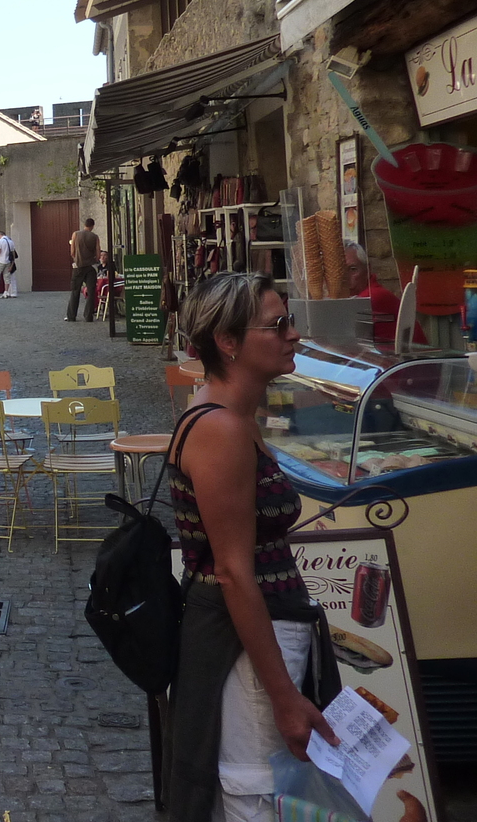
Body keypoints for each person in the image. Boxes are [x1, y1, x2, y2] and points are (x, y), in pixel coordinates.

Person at [167, 273, 339, 821]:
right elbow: (235, 572)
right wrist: (285, 696)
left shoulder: (231, 416)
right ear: (228, 342)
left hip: (247, 632)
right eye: (278, 324)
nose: (293, 335)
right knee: (256, 791)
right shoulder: (222, 428)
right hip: (245, 642)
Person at [343, 240, 407, 344]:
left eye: (352, 269)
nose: (344, 277)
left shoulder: (372, 297)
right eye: (339, 271)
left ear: (367, 270)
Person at [67, 217, 101, 322]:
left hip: (78, 266)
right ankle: (88, 316)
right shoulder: (95, 237)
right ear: (92, 226)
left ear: (84, 225)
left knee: (75, 291)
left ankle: (72, 316)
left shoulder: (75, 234)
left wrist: (77, 258)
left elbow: (72, 252)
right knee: (91, 291)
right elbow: (98, 253)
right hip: (90, 267)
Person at [0, 228, 18, 298]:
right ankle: (6, 292)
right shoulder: (11, 241)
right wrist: (12, 265)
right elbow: (13, 254)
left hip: (1, 261)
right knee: (7, 277)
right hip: (8, 262)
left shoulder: (0, 241)